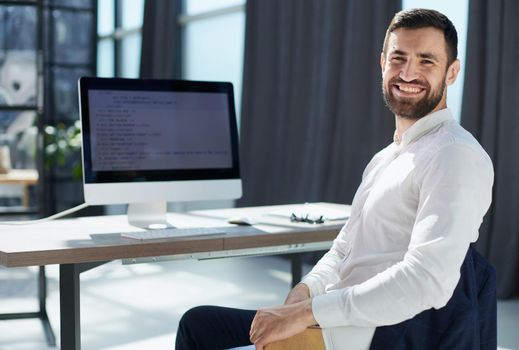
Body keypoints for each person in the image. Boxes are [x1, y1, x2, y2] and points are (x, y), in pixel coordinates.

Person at [175, 8, 494, 350]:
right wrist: (305, 290)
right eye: (398, 57)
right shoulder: (385, 159)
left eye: (426, 61)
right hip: (339, 316)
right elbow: (345, 247)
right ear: (382, 63)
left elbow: (427, 280)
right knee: (200, 323)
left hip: (372, 333)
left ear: (452, 72)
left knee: (199, 329)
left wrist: (308, 313)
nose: (408, 72)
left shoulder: (454, 154)